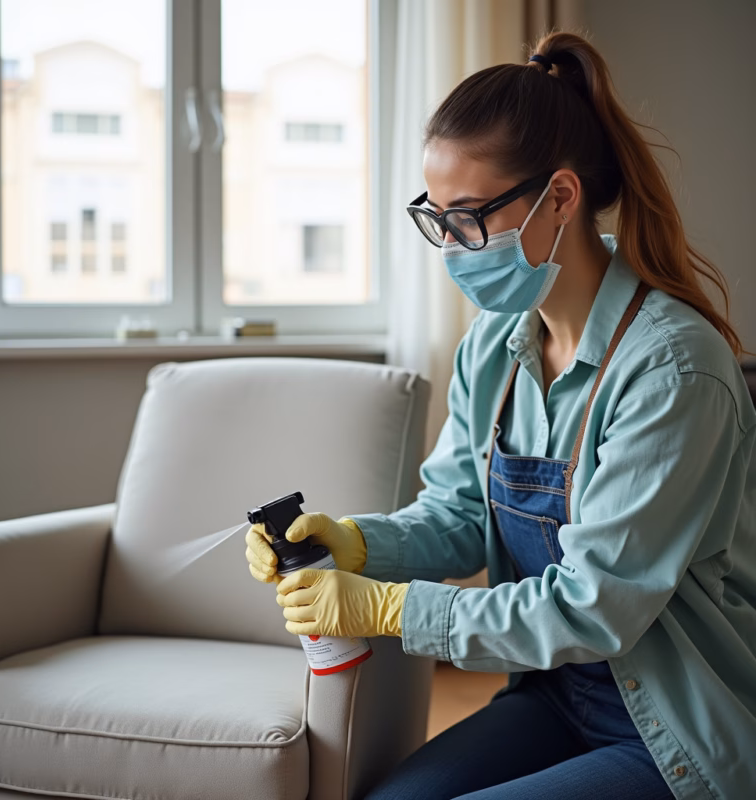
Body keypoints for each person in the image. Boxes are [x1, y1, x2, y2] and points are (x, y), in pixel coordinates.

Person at [245, 31, 756, 800]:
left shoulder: (672, 370)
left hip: (677, 723)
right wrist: (356, 544)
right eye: (437, 218)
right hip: (557, 693)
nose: (451, 246)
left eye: (468, 218)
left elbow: (594, 608)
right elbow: (456, 514)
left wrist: (388, 608)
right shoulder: (493, 347)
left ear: (559, 198)